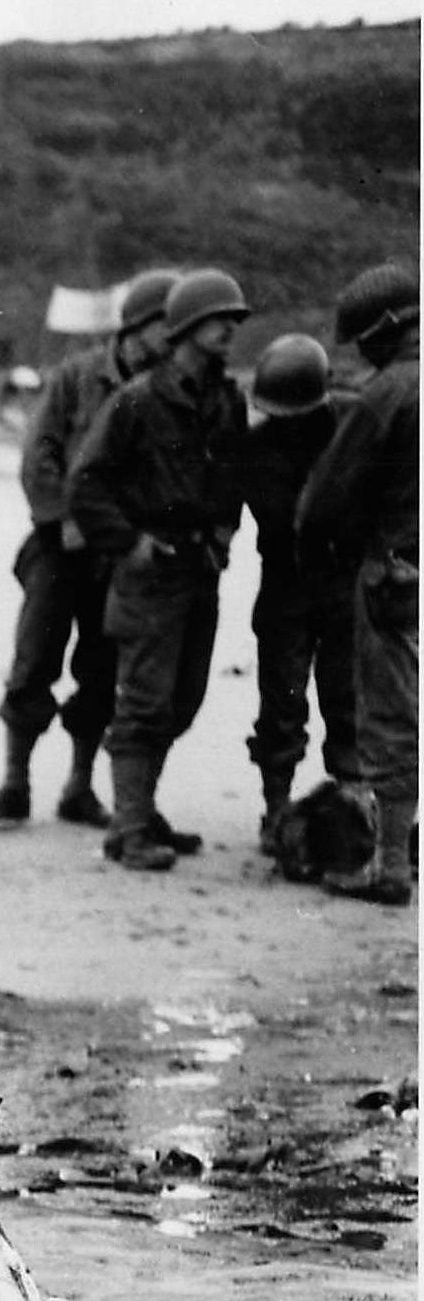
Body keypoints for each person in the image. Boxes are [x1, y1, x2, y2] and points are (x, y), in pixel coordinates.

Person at [66, 267, 253, 872]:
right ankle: (130, 826)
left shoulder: (226, 401)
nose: (231, 330)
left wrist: (225, 530)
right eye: (221, 320)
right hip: (149, 576)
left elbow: (231, 476)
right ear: (190, 327)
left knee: (185, 700)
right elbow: (86, 484)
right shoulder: (138, 401)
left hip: (199, 570)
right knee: (144, 704)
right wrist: (130, 543)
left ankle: (138, 812)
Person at [0, 269, 176, 827]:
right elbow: (38, 454)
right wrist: (62, 519)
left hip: (118, 551)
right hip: (58, 549)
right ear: (138, 325)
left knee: (102, 669)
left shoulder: (165, 391)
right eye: (167, 322)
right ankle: (15, 783)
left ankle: (79, 788)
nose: (175, 333)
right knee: (33, 659)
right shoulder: (76, 378)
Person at [297, 262, 420, 907]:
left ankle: (392, 864)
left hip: (396, 574)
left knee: (393, 718)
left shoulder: (391, 393)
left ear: (380, 331)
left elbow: (325, 503)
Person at [233, 334, 360, 849]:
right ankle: (277, 806)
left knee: (348, 699)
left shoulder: (354, 427)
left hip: (343, 585)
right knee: (281, 702)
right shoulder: (257, 448)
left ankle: (356, 804)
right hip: (287, 583)